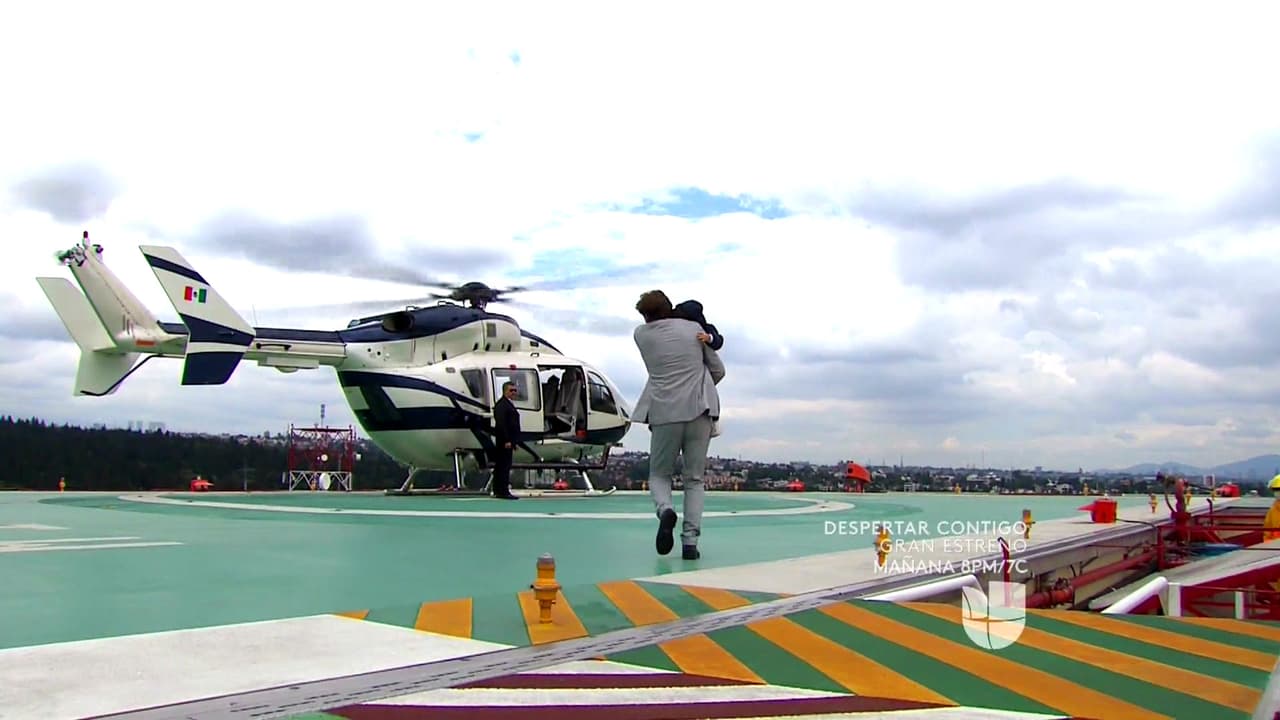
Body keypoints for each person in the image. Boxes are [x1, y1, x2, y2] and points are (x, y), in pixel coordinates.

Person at [632, 290, 725, 559]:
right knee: (694, 479)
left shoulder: (641, 335)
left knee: (659, 475)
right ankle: (690, 544)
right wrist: (700, 383)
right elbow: (718, 370)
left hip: (664, 413)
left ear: (645, 315)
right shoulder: (695, 330)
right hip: (700, 411)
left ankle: (665, 510)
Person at [490, 381, 521, 499]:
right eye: (511, 390)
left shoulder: (508, 404)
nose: (514, 392)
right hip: (504, 441)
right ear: (505, 391)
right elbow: (501, 424)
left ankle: (499, 490)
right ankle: (503, 491)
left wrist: (514, 442)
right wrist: (507, 440)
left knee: (503, 465)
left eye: (515, 390)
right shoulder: (502, 405)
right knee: (503, 466)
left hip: (509, 441)